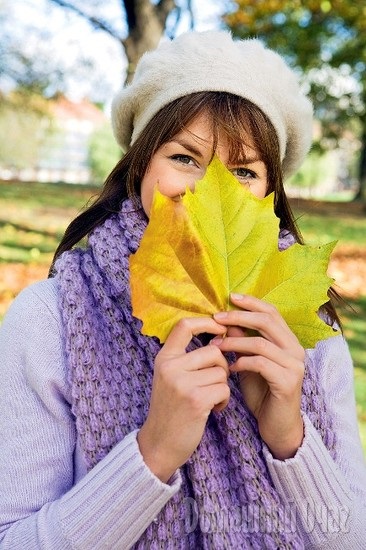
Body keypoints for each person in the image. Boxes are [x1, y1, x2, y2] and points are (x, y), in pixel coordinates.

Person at [0, 30, 365, 549]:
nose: (206, 192)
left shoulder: (308, 326)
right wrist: (152, 453)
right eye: (184, 158)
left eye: (242, 170)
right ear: (140, 165)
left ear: (270, 192)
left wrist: (289, 439)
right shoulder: (50, 321)